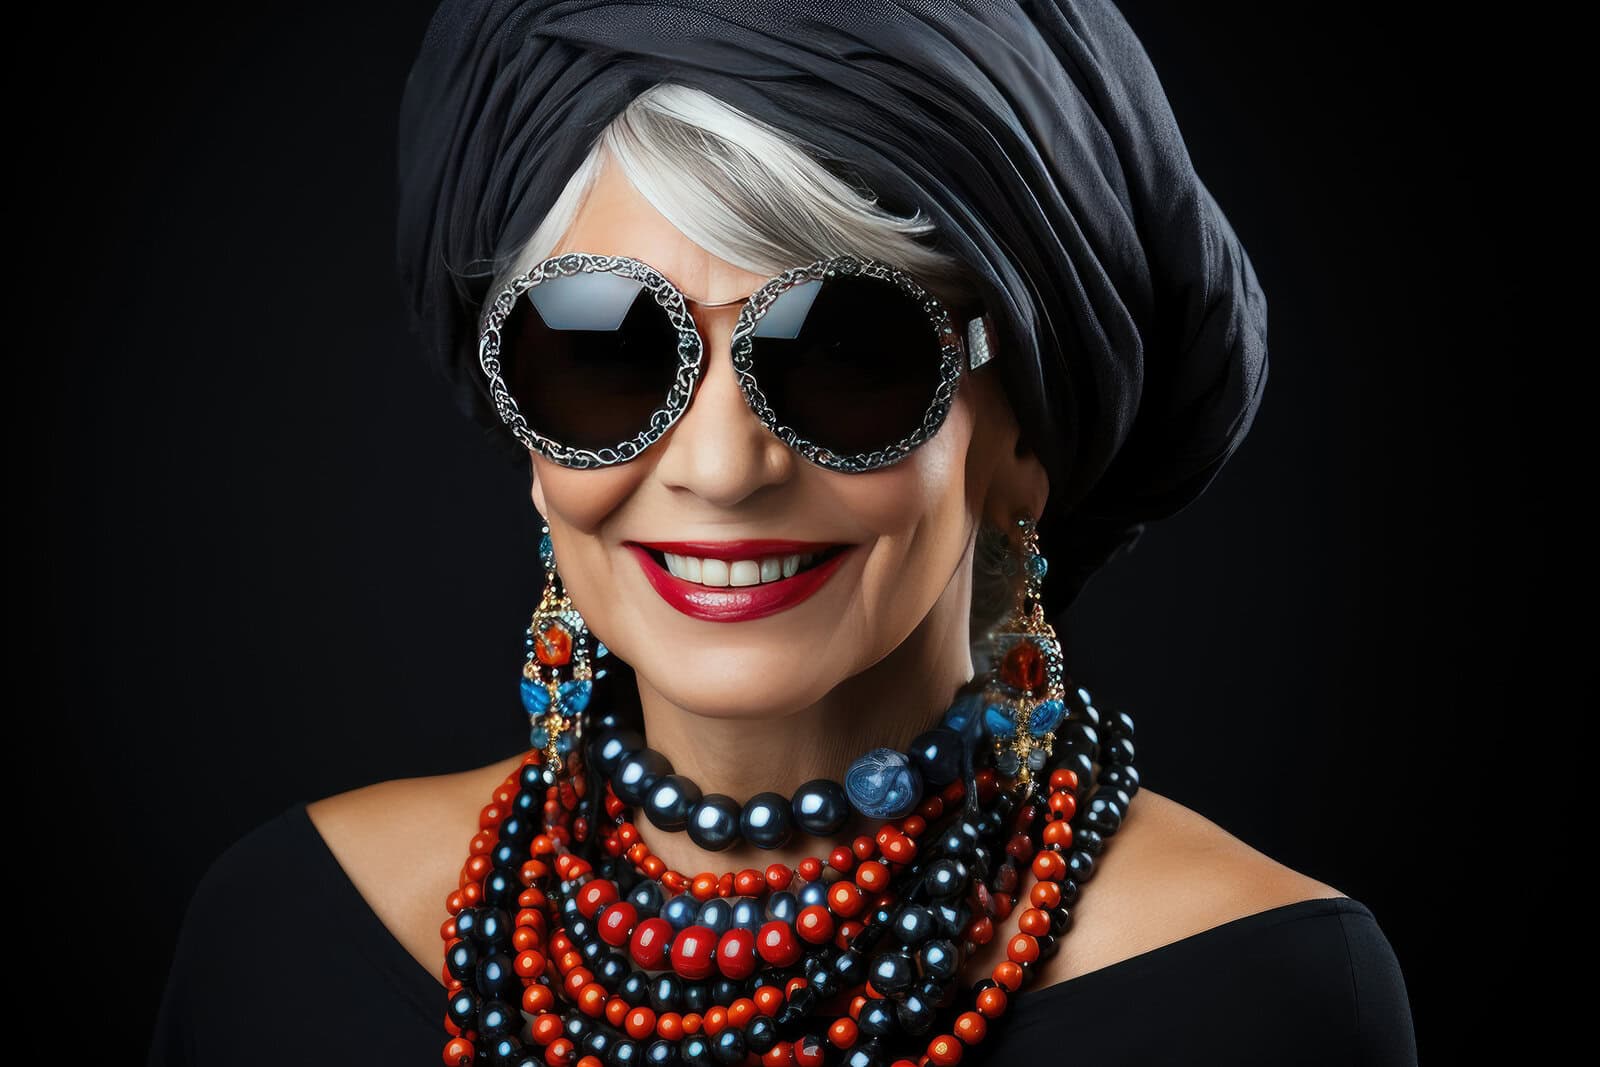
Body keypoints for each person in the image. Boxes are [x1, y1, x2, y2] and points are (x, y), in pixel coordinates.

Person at [149, 2, 1418, 1065]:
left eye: (845, 354)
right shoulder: (286, 931)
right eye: (605, 352)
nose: (720, 469)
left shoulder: (1256, 995)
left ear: (1020, 439)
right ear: (530, 443)